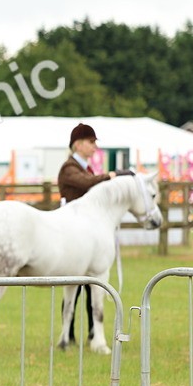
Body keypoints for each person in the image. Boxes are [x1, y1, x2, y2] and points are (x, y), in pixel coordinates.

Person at [56, 122, 133, 344]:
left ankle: (92, 331)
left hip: (86, 232)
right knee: (74, 287)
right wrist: (111, 176)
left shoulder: (85, 167)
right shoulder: (69, 168)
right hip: (72, 231)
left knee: (92, 287)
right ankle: (68, 332)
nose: (94, 146)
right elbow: (88, 183)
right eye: (91, 142)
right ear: (78, 144)